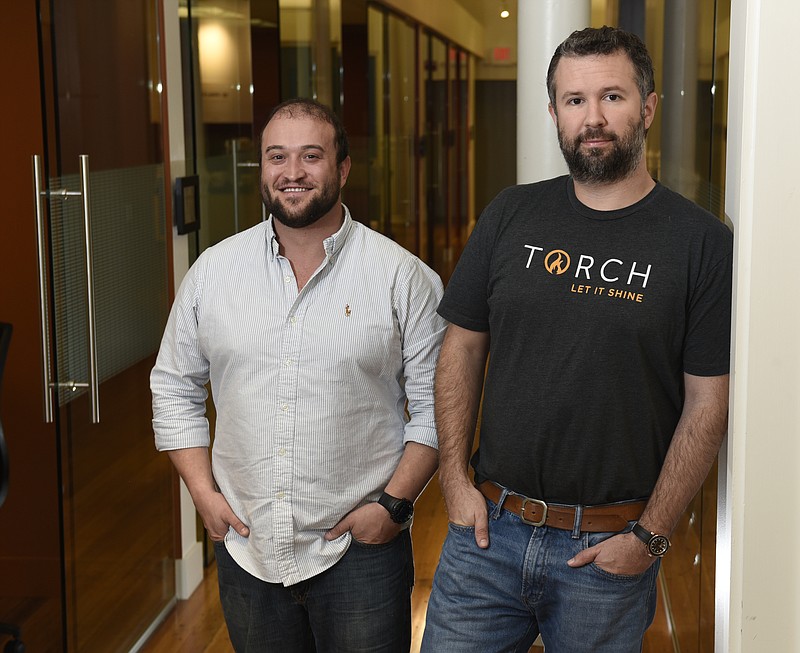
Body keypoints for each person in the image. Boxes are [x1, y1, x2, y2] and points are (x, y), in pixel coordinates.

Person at [421, 26, 733, 653]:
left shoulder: (701, 243)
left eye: (612, 97)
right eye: (574, 100)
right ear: (555, 113)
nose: (593, 118)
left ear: (647, 107)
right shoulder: (510, 213)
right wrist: (453, 479)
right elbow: (461, 348)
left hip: (606, 551)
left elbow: (707, 404)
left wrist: (651, 536)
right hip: (487, 537)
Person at [151, 98, 446, 652]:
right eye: (276, 157)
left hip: (361, 553)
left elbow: (439, 407)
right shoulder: (213, 272)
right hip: (247, 546)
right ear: (261, 168)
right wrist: (201, 491)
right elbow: (174, 386)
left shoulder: (403, 278)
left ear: (343, 167)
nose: (292, 173)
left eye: (311, 156)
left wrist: (394, 506)